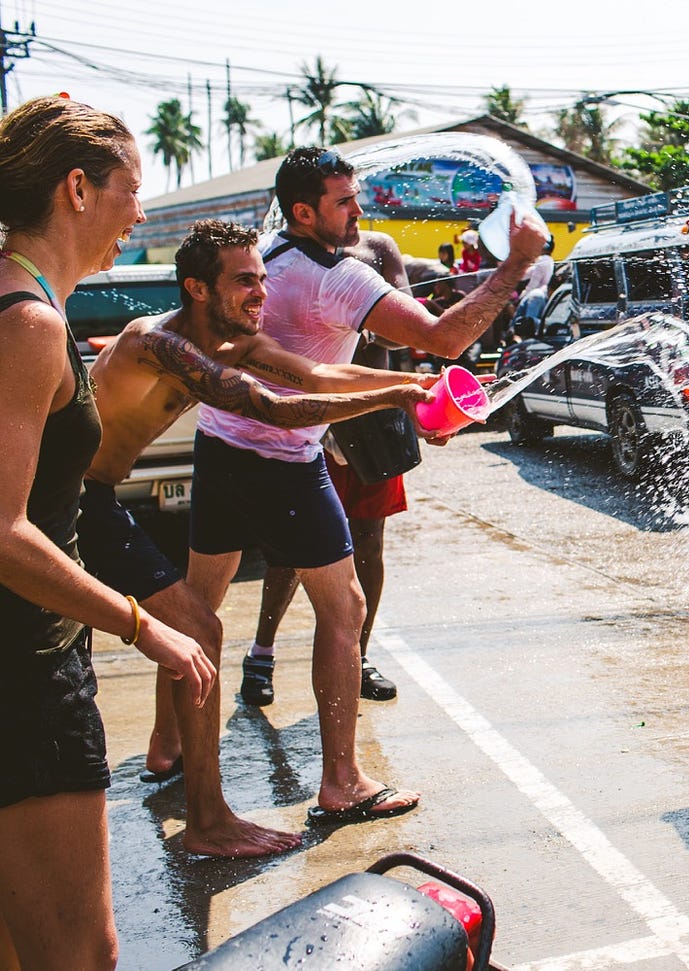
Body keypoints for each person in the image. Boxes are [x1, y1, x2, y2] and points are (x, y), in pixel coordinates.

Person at [186, 146, 547, 827]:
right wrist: (518, 263)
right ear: (304, 212)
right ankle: (342, 781)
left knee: (198, 607)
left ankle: (166, 744)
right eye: (344, 202)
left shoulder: (266, 258)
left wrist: (401, 395)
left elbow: (312, 371)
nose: (360, 210)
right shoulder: (337, 276)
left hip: (219, 444)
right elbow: (444, 338)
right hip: (282, 457)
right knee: (345, 609)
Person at [84, 220, 432, 855]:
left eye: (263, 278)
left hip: (93, 499)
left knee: (196, 623)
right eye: (245, 280)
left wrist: (408, 388)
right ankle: (209, 824)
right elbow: (275, 407)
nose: (261, 292)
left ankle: (176, 765)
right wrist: (391, 401)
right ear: (196, 288)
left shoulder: (233, 342)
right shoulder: (159, 344)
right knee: (200, 627)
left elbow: (316, 378)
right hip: (64, 502)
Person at [0, 95, 214, 970]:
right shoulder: (30, 324)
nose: (142, 212)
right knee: (79, 956)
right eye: (132, 189)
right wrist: (143, 622)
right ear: (78, 188)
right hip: (25, 673)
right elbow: (5, 532)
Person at [243, 230, 421, 706]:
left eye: (354, 199)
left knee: (369, 540)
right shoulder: (279, 254)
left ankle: (357, 657)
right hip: (308, 414)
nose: (353, 211)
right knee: (290, 550)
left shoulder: (378, 249)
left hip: (372, 421)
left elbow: (404, 325)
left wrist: (358, 316)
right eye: (343, 201)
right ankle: (261, 654)